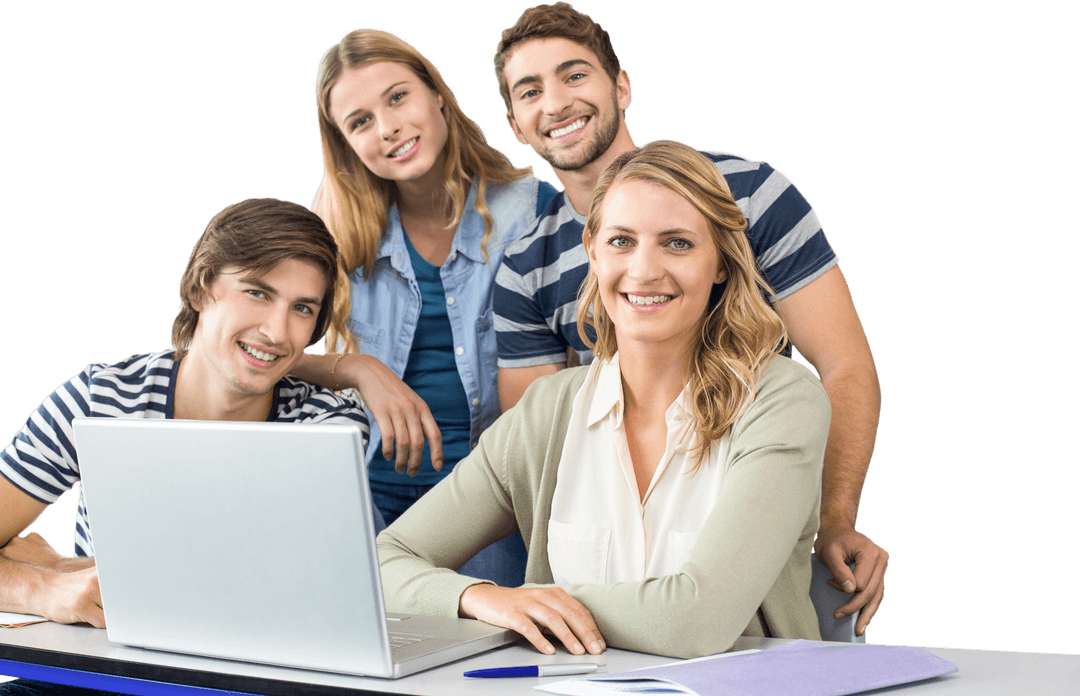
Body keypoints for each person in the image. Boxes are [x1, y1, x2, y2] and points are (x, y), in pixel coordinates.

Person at [490, 2, 886, 634]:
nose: (556, 103)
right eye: (530, 91)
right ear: (515, 123)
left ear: (622, 86)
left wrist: (833, 517)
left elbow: (842, 362)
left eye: (575, 75)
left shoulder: (750, 194)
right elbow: (538, 453)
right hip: (613, 549)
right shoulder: (524, 266)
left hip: (749, 510)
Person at [378, 141, 830, 659]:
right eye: (621, 241)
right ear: (592, 251)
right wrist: (481, 597)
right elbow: (386, 560)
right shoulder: (547, 413)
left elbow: (695, 623)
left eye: (677, 243)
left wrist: (542, 602)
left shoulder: (781, 401)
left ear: (721, 263)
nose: (644, 270)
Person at [0, 198, 370, 695]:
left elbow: (270, 599)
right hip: (104, 677)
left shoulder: (327, 427)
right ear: (200, 290)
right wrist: (44, 588)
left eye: (302, 308)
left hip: (249, 683)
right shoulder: (100, 398)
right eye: (257, 293)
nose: (277, 331)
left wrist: (62, 565)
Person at [288, 29, 557, 586]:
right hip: (364, 492)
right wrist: (359, 369)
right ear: (345, 143)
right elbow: (259, 354)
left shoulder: (533, 212)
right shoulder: (333, 231)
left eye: (397, 98)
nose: (387, 128)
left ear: (436, 93)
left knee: (479, 631)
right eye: (360, 122)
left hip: (486, 504)